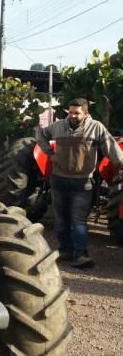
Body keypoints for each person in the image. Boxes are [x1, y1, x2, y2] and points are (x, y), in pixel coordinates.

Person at [36, 97, 123, 269]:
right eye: (70, 112)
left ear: (85, 113)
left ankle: (81, 255)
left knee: (78, 221)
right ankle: (64, 251)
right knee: (61, 221)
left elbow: (111, 147)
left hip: (82, 183)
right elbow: (41, 135)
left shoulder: (96, 127)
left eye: (77, 113)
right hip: (58, 180)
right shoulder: (59, 126)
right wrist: (49, 154)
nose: (72, 116)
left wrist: (121, 162)